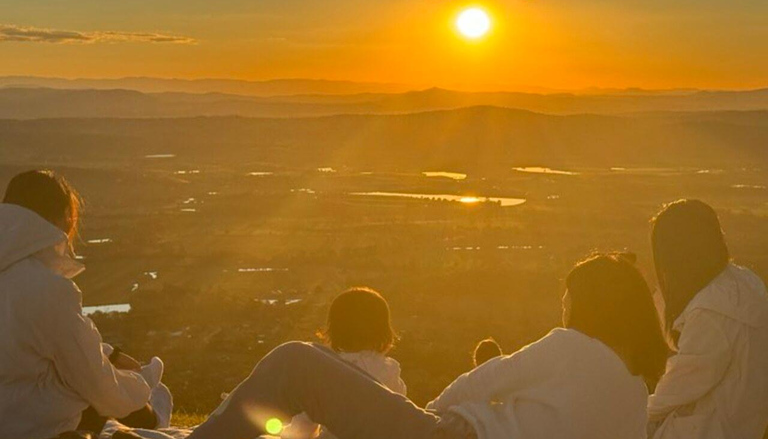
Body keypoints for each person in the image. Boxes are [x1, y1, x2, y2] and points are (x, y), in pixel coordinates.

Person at [189, 253, 667, 439]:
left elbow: (486, 378)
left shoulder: (569, 346)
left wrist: (428, 416)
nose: (562, 304)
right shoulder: (634, 395)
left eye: (568, 294)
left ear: (587, 304)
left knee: (295, 361)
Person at [0, 170, 159, 439]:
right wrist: (145, 381)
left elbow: (25, 342)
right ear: (62, 216)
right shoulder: (47, 288)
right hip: (26, 427)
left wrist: (110, 354)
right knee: (145, 410)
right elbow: (100, 387)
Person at [648, 199, 768, 439]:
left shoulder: (712, 312)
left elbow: (683, 385)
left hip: (711, 429)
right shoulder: (745, 283)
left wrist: (632, 415)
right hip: (745, 422)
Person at [282, 287, 407, 439]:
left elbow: (302, 430)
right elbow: (399, 419)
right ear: (384, 330)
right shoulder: (390, 371)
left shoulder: (326, 371)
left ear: (335, 330)